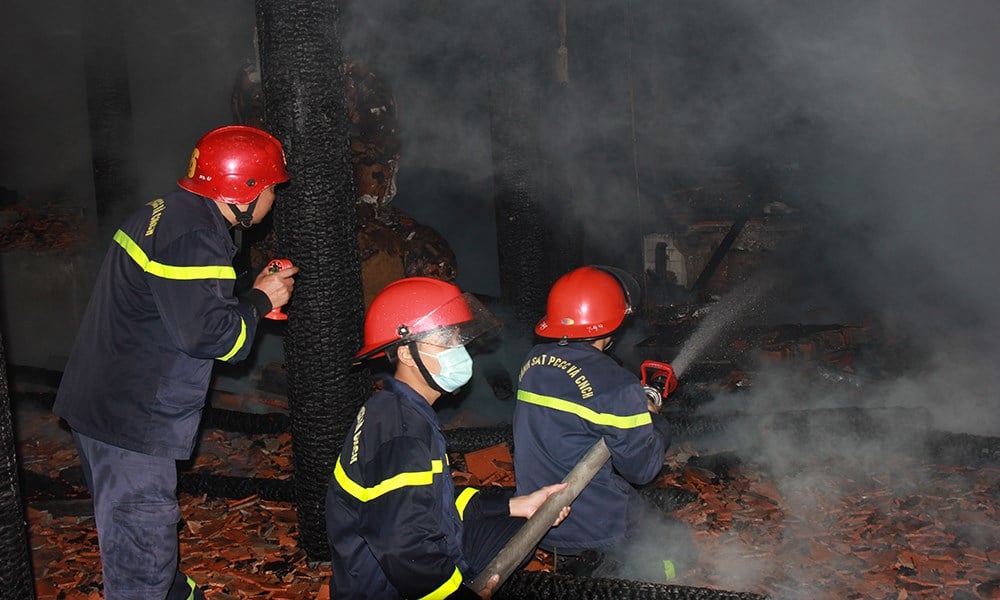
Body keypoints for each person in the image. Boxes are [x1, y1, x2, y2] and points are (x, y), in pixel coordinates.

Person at [53, 125, 299, 600]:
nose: (273, 196)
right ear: (243, 190)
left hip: (102, 410)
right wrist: (260, 301)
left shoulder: (166, 213)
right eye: (271, 187)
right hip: (132, 430)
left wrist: (248, 290)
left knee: (146, 556)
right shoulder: (194, 236)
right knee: (141, 570)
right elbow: (212, 336)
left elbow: (174, 300)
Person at [326, 276, 570, 599]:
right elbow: (406, 550)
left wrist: (518, 504)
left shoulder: (402, 408)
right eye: (448, 340)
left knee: (525, 529)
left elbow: (434, 504)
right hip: (385, 589)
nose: (460, 351)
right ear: (407, 354)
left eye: (458, 338)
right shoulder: (401, 433)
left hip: (411, 556)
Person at [512, 265, 685, 582]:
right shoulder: (617, 386)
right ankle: (665, 585)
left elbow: (578, 405)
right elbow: (641, 469)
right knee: (675, 546)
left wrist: (631, 405)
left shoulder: (532, 362)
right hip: (595, 524)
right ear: (613, 322)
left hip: (537, 518)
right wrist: (653, 422)